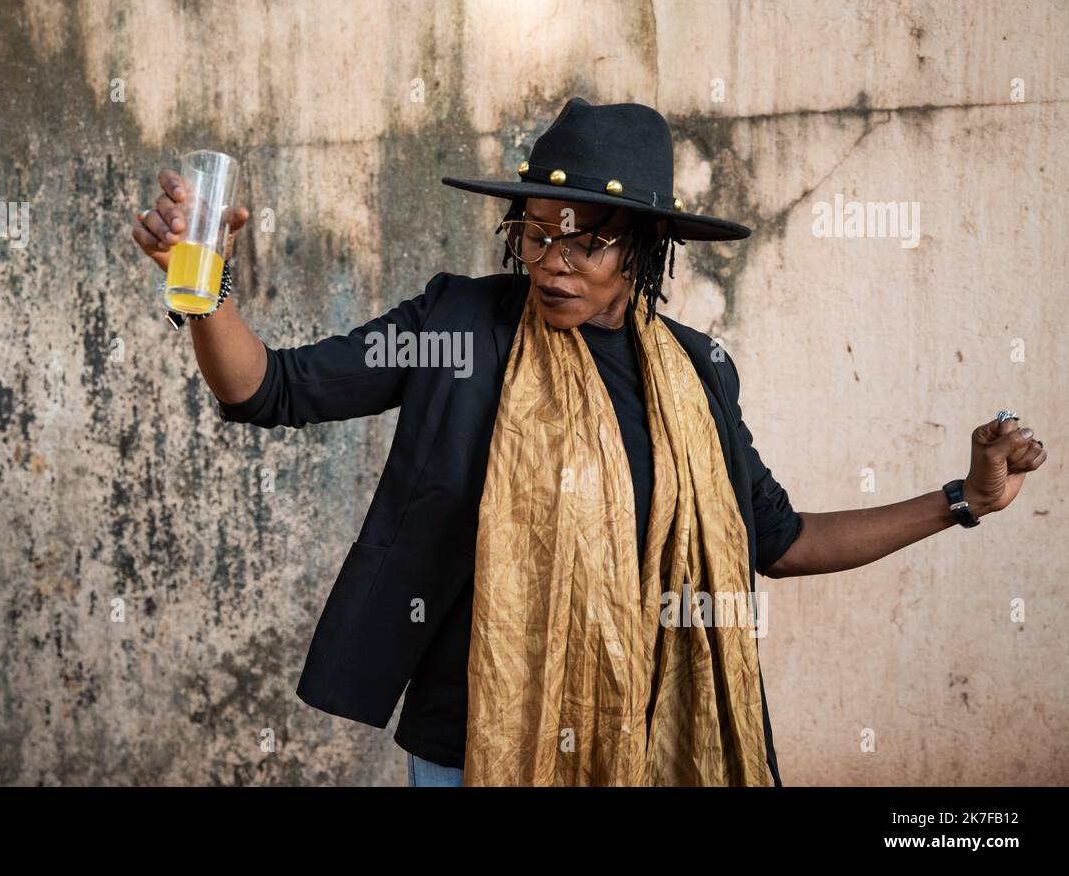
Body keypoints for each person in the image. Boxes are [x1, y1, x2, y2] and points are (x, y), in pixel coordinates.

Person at [130, 98, 1047, 787]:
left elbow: (779, 538)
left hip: (642, 743)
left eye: (584, 245)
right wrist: (201, 286)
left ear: (643, 247)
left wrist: (961, 498)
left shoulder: (695, 375)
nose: (551, 264)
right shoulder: (459, 326)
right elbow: (269, 388)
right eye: (534, 237)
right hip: (468, 742)